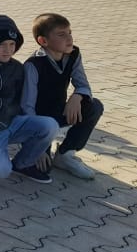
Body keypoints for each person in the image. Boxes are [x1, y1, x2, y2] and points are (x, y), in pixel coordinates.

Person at [0, 15, 58, 183]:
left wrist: (39, 150)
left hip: (12, 123)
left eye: (12, 44)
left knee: (50, 126)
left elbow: (23, 102)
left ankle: (22, 164)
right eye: (1, 44)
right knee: (1, 171)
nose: (8, 50)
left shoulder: (17, 68)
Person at [22, 13, 105, 180]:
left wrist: (77, 96)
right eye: (61, 34)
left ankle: (65, 155)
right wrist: (37, 148)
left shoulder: (73, 54)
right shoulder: (33, 65)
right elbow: (26, 107)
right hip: (40, 122)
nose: (69, 38)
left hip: (60, 111)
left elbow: (83, 85)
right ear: (43, 41)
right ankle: (32, 148)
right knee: (41, 168)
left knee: (94, 106)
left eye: (70, 32)